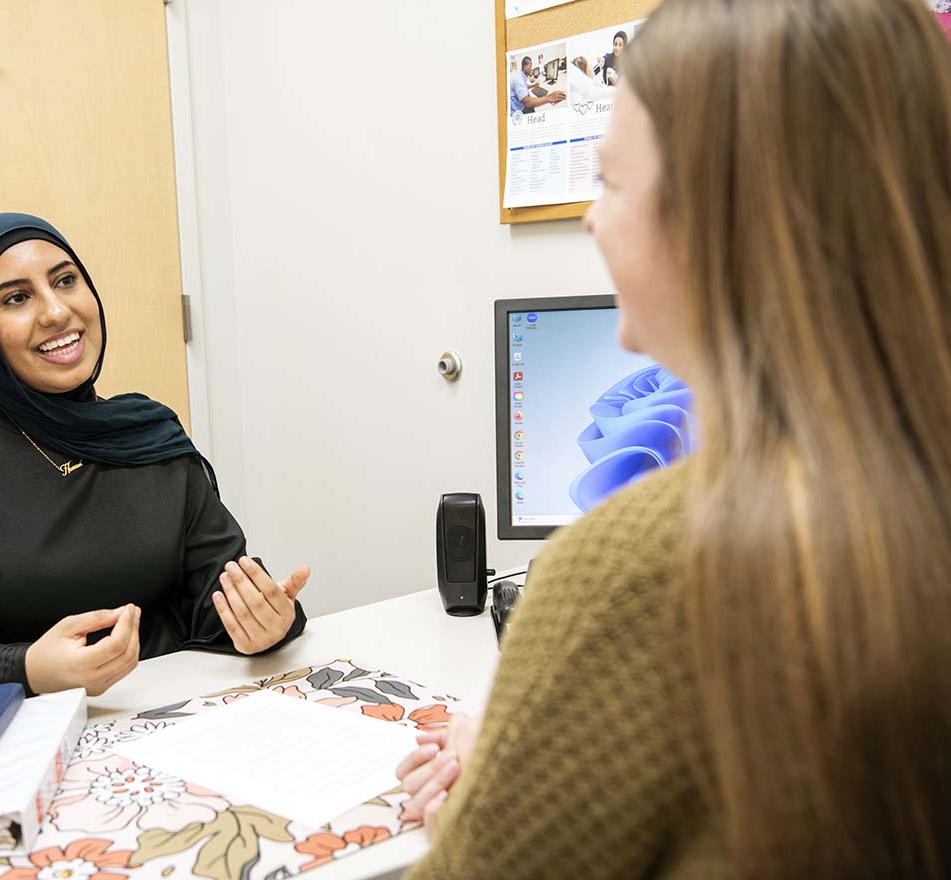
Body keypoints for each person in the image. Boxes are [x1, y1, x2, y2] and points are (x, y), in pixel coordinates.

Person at [400, 0, 951, 876]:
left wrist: (491, 783)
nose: (589, 218)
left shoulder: (643, 567)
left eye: (611, 183)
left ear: (726, 220)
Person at [0, 213, 309, 703]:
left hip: (171, 716)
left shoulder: (148, 435)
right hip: (19, 736)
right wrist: (25, 669)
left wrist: (265, 621)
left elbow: (216, 592)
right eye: (17, 298)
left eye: (65, 281)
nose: (56, 312)